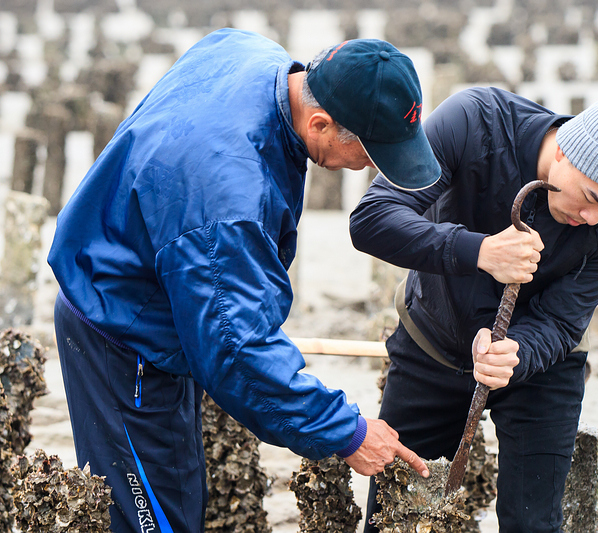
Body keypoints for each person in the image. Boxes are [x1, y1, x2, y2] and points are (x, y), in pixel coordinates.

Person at [48, 29, 439, 533]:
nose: (371, 167)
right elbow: (236, 352)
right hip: (119, 327)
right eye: (371, 153)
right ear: (320, 123)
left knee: (183, 485)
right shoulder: (229, 206)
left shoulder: (249, 51)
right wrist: (348, 432)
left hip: (155, 286)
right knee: (156, 517)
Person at [350, 77, 598, 531]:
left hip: (542, 368)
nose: (592, 219)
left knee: (533, 522)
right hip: (432, 338)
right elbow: (372, 219)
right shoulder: (473, 121)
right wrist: (480, 252)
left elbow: (564, 321)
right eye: (591, 198)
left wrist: (517, 353)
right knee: (397, 516)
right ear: (567, 148)